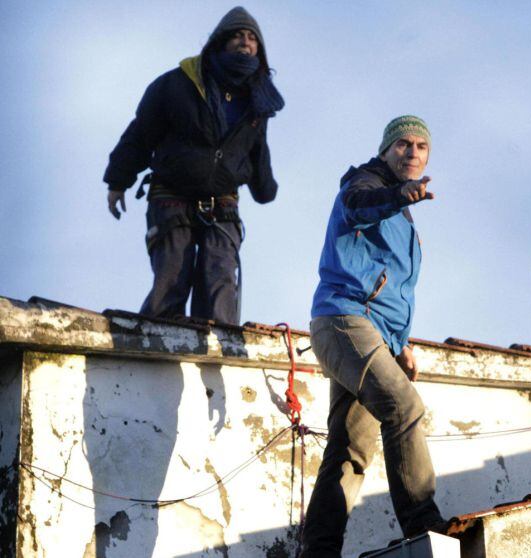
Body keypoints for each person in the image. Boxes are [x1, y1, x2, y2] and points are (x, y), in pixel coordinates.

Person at [301, 116, 445, 557]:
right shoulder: (366, 184)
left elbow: (391, 288)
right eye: (403, 144)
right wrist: (397, 194)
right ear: (385, 150)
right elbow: (360, 204)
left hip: (370, 334)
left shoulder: (403, 217)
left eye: (421, 146)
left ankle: (319, 551)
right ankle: (423, 522)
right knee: (404, 407)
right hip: (344, 320)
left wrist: (400, 347)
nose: (412, 152)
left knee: (351, 450)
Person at [103, 6, 283, 324]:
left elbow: (257, 150)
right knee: (171, 279)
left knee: (220, 282)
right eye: (239, 35)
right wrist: (118, 180)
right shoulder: (177, 84)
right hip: (171, 196)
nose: (246, 41)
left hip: (222, 203)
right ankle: (153, 350)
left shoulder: (259, 100)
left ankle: (216, 355)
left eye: (253, 37)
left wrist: (266, 188)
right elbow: (141, 133)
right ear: (221, 42)